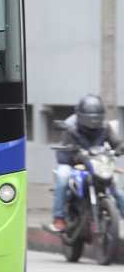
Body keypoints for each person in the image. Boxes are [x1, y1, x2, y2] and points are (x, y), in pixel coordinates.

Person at [46, 94, 124, 233]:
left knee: (115, 190)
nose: (93, 122)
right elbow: (68, 149)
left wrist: (120, 147)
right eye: (90, 118)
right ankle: (58, 219)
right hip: (70, 162)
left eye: (96, 118)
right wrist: (78, 155)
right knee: (63, 178)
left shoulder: (105, 127)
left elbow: (115, 142)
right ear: (81, 116)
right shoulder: (70, 127)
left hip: (95, 162)